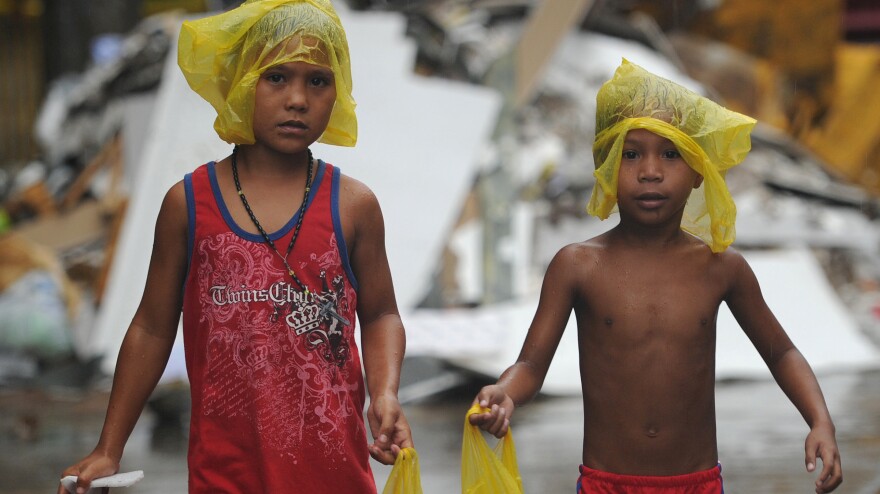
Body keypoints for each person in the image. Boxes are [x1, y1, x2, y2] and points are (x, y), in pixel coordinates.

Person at [59, 1, 413, 492]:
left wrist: (386, 393)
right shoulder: (189, 204)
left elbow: (380, 315)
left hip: (333, 476)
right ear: (243, 83)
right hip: (225, 476)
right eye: (276, 77)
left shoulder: (353, 206)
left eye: (318, 81)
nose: (297, 99)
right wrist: (108, 448)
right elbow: (152, 327)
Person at [468, 59, 842, 494]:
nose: (650, 171)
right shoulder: (578, 265)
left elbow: (782, 355)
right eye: (631, 154)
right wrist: (505, 393)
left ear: (699, 168)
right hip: (606, 485)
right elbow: (532, 364)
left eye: (670, 153)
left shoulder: (721, 268)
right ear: (607, 164)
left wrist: (820, 420)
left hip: (696, 484)